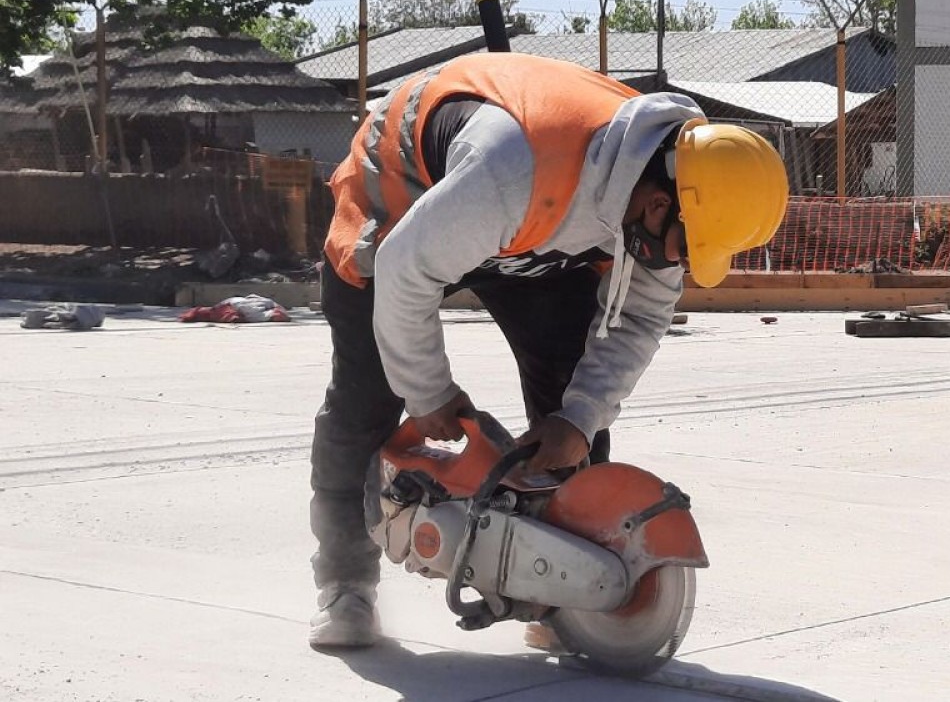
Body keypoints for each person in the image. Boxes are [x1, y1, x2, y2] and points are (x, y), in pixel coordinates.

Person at [307, 52, 788, 649]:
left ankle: (560, 596)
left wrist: (579, 420)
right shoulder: (512, 170)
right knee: (365, 399)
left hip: (536, 228)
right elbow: (406, 270)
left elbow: (637, 319)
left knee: (571, 404)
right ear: (659, 205)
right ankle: (345, 587)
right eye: (683, 250)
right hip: (401, 201)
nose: (679, 266)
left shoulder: (672, 192)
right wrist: (428, 394)